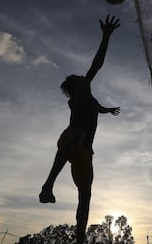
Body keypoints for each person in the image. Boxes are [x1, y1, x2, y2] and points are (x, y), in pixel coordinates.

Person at [39, 15, 121, 243]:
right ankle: (48, 185)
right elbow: (96, 65)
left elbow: (97, 108)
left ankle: (79, 238)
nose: (81, 76)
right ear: (76, 86)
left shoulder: (89, 99)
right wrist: (106, 35)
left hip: (84, 152)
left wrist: (107, 110)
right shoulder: (78, 96)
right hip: (71, 139)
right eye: (77, 77)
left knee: (85, 195)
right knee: (78, 132)